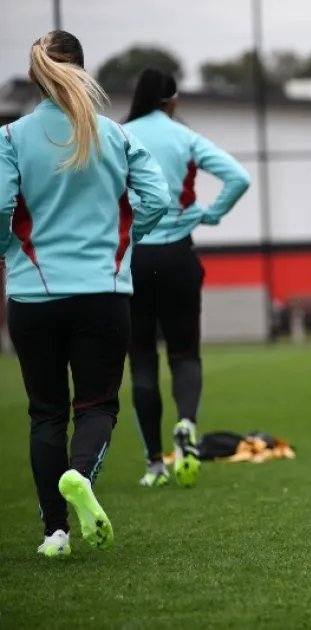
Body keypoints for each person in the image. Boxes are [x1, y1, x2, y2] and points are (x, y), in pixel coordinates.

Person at [0, 31, 170, 557]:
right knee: (97, 405)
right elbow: (157, 200)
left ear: (34, 75)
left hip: (33, 297)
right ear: (83, 68)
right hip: (103, 291)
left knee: (45, 413)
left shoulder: (11, 137)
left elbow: (2, 206)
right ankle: (80, 475)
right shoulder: (114, 135)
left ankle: (55, 532)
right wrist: (123, 243)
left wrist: (12, 252)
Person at [123, 68, 251, 489]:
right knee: (184, 355)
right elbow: (239, 177)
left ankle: (153, 464)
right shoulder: (185, 137)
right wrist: (211, 214)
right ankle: (186, 426)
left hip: (134, 259)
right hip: (179, 255)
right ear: (173, 101)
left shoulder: (118, 135)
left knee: (142, 359)